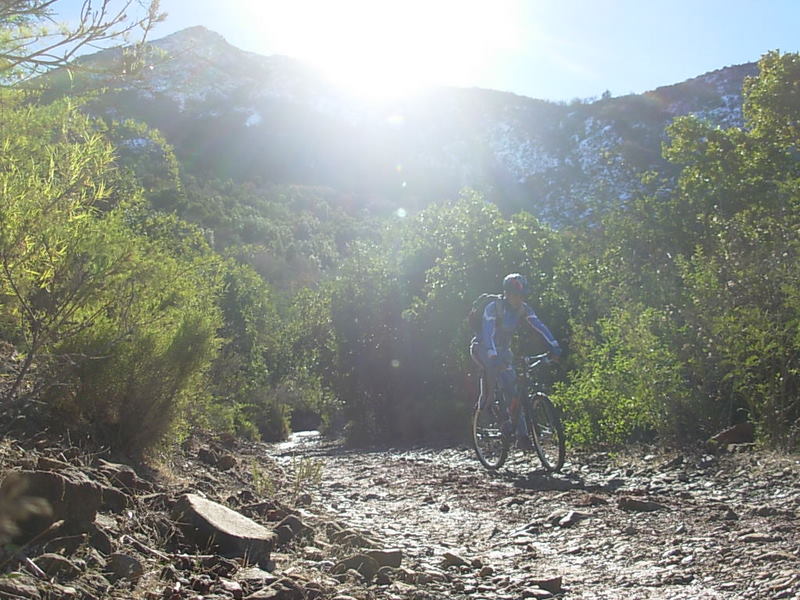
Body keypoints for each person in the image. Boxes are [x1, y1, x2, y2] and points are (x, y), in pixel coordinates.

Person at [470, 273, 562, 449]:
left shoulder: (523, 309)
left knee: (515, 391)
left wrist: (554, 346)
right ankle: (487, 408)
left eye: (522, 295)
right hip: (482, 348)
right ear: (507, 293)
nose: (519, 299)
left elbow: (540, 326)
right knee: (492, 374)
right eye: (515, 295)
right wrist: (492, 355)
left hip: (504, 352)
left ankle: (523, 436)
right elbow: (488, 332)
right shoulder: (493, 307)